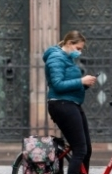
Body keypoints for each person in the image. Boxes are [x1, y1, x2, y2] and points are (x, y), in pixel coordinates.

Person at [43, 31, 97, 174]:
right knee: (80, 149)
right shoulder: (56, 58)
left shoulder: (67, 58)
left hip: (72, 104)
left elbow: (69, 84)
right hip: (62, 105)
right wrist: (81, 81)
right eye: (78, 48)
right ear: (69, 43)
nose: (79, 52)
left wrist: (85, 84)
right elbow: (58, 85)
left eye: (81, 49)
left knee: (87, 149)